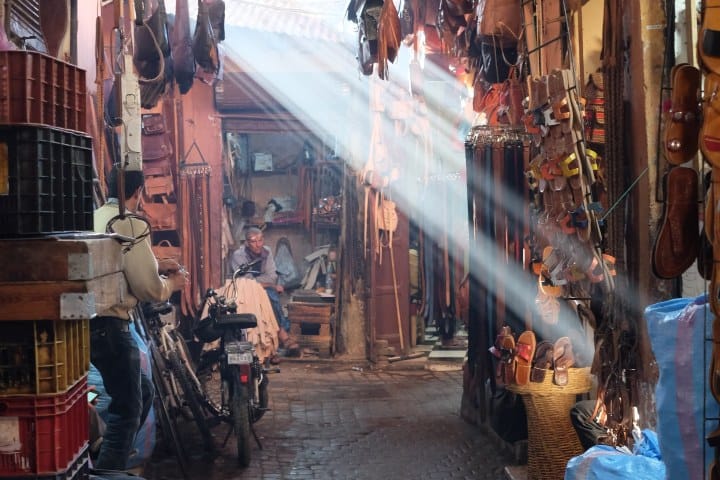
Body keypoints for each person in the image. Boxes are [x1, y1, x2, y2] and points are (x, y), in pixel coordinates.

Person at [93, 166, 187, 470]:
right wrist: (173, 283)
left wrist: (157, 265)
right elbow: (147, 289)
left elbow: (119, 263)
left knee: (141, 392)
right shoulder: (130, 223)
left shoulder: (95, 217)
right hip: (111, 325)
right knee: (128, 409)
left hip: (88, 322)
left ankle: (108, 457)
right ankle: (109, 471)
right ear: (139, 191)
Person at [230, 227, 299, 355]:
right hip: (243, 289)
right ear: (246, 243)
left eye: (260, 240)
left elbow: (272, 276)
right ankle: (282, 336)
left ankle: (277, 339)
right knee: (267, 295)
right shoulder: (238, 255)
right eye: (253, 241)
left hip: (264, 288)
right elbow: (247, 281)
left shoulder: (266, 252)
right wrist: (269, 285)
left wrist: (265, 283)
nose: (258, 244)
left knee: (271, 297)